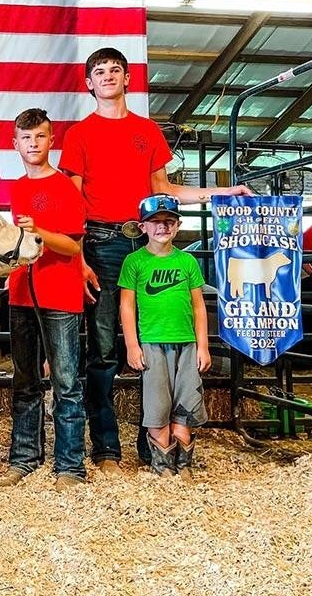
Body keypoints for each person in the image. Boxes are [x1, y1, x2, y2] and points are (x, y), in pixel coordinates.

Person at [58, 47, 250, 474]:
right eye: (99, 71)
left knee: (156, 345)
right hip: (103, 242)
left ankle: (154, 447)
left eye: (115, 70)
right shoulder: (79, 134)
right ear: (89, 83)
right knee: (104, 349)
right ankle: (106, 448)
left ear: (128, 78)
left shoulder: (147, 131)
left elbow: (165, 190)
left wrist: (221, 193)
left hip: (150, 241)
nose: (108, 76)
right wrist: (77, 256)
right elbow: (72, 199)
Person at [0, 108, 88, 490]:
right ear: (15, 144)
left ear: (51, 141)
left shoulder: (66, 187)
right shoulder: (16, 188)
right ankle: (24, 457)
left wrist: (39, 233)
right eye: (26, 138)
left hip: (61, 296)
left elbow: (72, 246)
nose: (33, 144)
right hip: (22, 293)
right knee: (25, 380)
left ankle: (70, 465)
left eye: (40, 137)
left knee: (66, 382)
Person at [119, 194, 210, 479]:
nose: (162, 226)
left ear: (178, 225)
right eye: (155, 221)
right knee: (157, 405)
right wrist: (132, 345)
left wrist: (203, 346)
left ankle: (183, 466)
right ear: (142, 227)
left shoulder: (187, 261)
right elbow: (127, 306)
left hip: (187, 343)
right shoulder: (134, 262)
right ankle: (162, 467)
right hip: (152, 343)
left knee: (187, 403)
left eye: (169, 221)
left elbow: (198, 305)